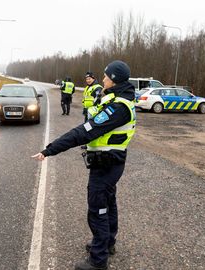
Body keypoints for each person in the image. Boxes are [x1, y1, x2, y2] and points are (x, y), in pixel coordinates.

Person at [32, 60, 136, 270]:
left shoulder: (119, 107)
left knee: (98, 208)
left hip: (107, 165)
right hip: (108, 162)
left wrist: (50, 149)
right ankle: (107, 243)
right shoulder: (115, 98)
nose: (103, 79)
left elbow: (85, 131)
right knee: (109, 202)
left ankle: (98, 261)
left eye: (106, 76)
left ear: (114, 80)